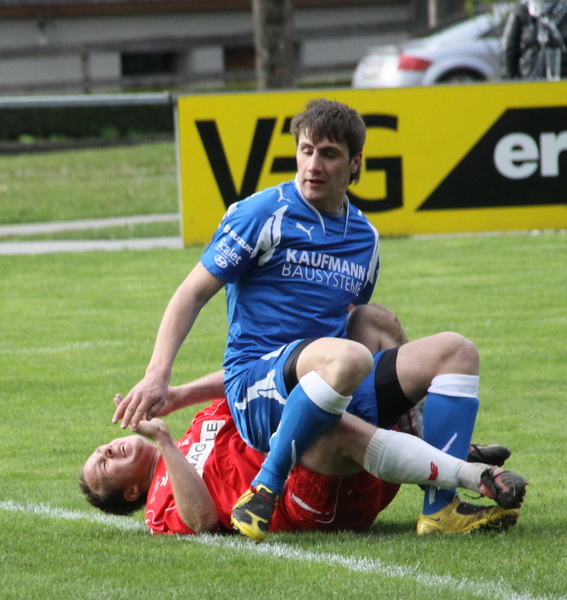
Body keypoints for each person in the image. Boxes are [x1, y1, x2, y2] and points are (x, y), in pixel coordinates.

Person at [111, 99, 526, 542]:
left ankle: (440, 507)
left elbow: (352, 318)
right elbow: (190, 293)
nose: (314, 165)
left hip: (331, 377)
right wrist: (157, 375)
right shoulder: (260, 214)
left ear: (355, 163)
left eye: (328, 154)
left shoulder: (364, 238)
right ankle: (266, 486)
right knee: (349, 357)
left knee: (454, 350)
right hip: (258, 388)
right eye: (306, 150)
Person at [80, 378, 524, 536]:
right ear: (131, 491)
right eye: (104, 464)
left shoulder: (198, 424)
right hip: (308, 495)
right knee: (321, 422)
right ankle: (464, 469)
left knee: (372, 325)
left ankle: (432, 453)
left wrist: (177, 394)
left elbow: (245, 385)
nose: (107, 449)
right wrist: (163, 441)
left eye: (101, 449)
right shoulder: (158, 508)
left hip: (352, 457)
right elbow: (201, 522)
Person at [502, 0, 567, 80]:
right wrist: (511, 81)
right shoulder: (521, 13)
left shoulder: (564, 11)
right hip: (530, 80)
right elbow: (509, 52)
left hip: (562, 80)